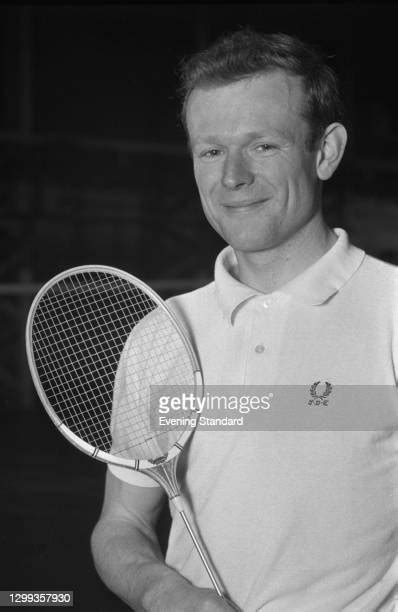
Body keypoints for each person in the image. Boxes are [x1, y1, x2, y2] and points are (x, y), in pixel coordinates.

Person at [91, 29, 398, 611]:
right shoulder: (163, 334)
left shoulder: (393, 312)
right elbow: (122, 524)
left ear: (325, 151)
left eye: (262, 146)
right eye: (210, 151)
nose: (231, 177)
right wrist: (164, 594)